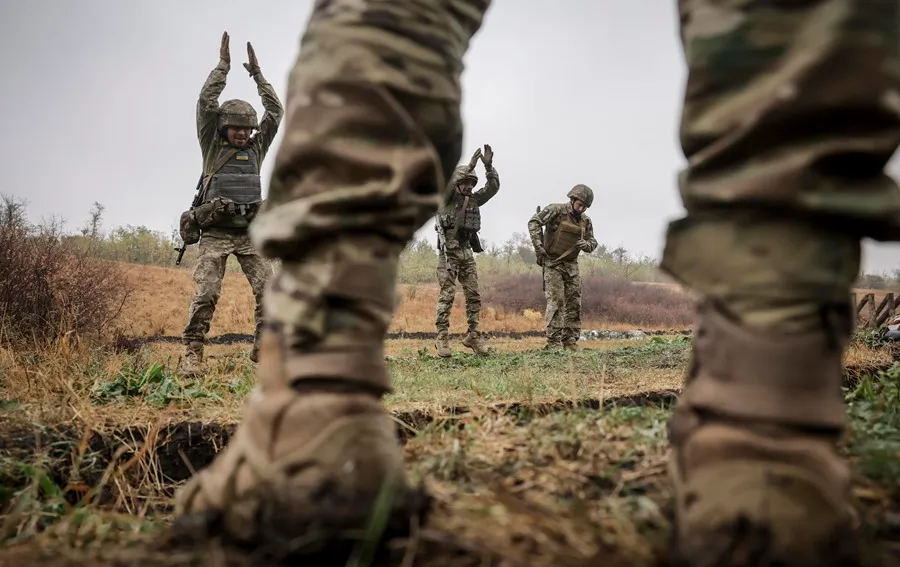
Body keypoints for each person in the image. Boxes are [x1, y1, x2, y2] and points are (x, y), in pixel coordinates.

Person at [173, 2, 899, 565]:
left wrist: (493, 176)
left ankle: (313, 410)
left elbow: (491, 192)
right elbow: (502, 212)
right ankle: (771, 426)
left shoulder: (529, 206)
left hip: (435, 250)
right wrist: (224, 75)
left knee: (395, 17)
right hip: (237, 230)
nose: (239, 137)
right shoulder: (221, 140)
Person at [178, 31, 283, 376]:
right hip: (215, 234)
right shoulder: (211, 146)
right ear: (223, 127)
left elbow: (275, 111)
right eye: (236, 127)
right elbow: (205, 103)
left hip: (251, 234)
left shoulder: (256, 148)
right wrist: (222, 67)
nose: (242, 133)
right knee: (207, 293)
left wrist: (258, 75)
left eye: (247, 128)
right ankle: (193, 353)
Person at [434, 144, 500, 357]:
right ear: (458, 183)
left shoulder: (473, 199)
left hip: (466, 253)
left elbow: (493, 188)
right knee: (447, 295)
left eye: (472, 183)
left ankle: (473, 335)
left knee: (474, 296)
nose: (470, 187)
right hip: (449, 254)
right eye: (466, 183)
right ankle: (442, 338)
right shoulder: (445, 200)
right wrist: (469, 166)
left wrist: (488, 167)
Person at [528, 185, 597, 350]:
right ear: (572, 199)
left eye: (584, 207)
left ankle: (570, 341)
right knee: (557, 301)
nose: (581, 209)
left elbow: (593, 242)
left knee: (574, 302)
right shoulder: (556, 210)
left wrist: (586, 245)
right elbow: (534, 222)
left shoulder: (585, 221)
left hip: (571, 266)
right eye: (579, 204)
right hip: (553, 263)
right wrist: (538, 246)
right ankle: (554, 342)